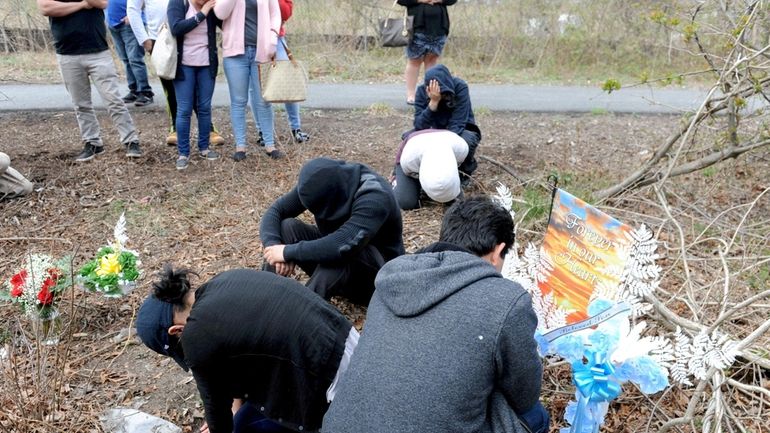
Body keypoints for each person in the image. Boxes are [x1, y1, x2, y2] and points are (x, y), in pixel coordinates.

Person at [322, 196, 551, 433]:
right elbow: (524, 395)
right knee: (536, 416)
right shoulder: (505, 300)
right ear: (498, 251)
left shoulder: (393, 279)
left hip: (340, 426)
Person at [136, 266, 359, 433]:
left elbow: (217, 413)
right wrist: (234, 408)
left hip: (335, 380)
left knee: (244, 428)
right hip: (350, 343)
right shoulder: (223, 282)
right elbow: (230, 373)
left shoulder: (196, 335)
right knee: (246, 415)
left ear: (176, 331)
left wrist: (224, 423)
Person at [260, 158, 404, 306]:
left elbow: (342, 244)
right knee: (287, 227)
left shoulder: (375, 197)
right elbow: (276, 211)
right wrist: (275, 248)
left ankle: (297, 310)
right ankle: (263, 298)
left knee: (344, 253)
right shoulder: (318, 182)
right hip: (338, 269)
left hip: (377, 279)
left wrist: (287, 252)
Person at [37, 0, 143, 161]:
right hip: (66, 53)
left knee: (113, 100)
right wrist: (81, 5)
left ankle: (131, 141)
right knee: (81, 104)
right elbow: (46, 8)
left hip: (98, 52)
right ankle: (93, 143)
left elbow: (102, 3)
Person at [127, 0, 225, 146]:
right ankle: (175, 128)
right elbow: (133, 9)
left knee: (200, 91)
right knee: (171, 88)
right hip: (161, 38)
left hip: (194, 36)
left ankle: (208, 128)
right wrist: (144, 39)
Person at [214, 0, 284, 161]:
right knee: (239, 101)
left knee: (263, 100)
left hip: (262, 52)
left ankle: (270, 145)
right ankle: (240, 146)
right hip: (234, 55)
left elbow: (275, 15)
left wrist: (273, 39)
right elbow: (220, 13)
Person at [168, 0, 220, 170]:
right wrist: (202, 14)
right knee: (184, 109)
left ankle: (204, 148)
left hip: (207, 64)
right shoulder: (178, 3)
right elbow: (176, 28)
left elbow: (226, 22)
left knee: (204, 107)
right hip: (184, 65)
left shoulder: (212, 6)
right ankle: (183, 153)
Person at [412, 63, 481, 186]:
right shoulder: (422, 92)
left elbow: (458, 122)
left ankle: (464, 170)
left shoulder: (460, 87)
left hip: (461, 129)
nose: (442, 96)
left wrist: (444, 145)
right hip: (434, 131)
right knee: (408, 137)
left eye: (444, 94)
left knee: (467, 140)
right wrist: (433, 103)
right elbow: (419, 126)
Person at [397, 0, 456, 105]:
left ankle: (429, 94)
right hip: (416, 28)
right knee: (414, 61)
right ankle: (411, 95)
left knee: (432, 62)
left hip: (440, 28)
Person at [391, 129, 467, 210]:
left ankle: (448, 188)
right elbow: (405, 168)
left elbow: (460, 165)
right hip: (414, 142)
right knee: (405, 201)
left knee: (457, 201)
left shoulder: (462, 148)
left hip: (446, 134)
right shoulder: (409, 160)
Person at [107, 0, 154, 106]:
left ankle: (145, 92)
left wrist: (133, 15)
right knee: (126, 60)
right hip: (113, 24)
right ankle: (134, 90)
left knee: (135, 59)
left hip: (129, 23)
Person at [275, 0, 309, 144]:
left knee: (288, 82)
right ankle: (262, 132)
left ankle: (296, 128)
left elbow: (286, 11)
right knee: (257, 86)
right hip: (251, 40)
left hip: (277, 37)